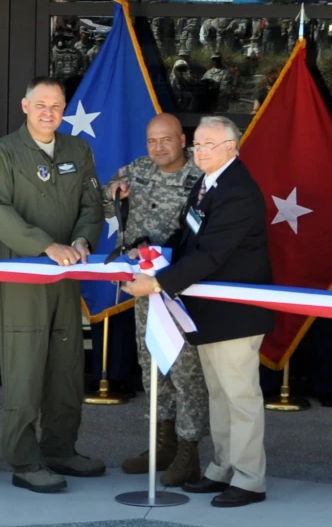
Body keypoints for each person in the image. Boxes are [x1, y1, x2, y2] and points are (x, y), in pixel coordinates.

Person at [123, 116, 274, 508]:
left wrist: (157, 283)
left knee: (240, 397)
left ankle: (249, 478)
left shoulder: (236, 191)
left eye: (210, 145)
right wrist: (151, 256)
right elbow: (188, 239)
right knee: (221, 396)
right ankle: (223, 467)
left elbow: (211, 254)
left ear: (232, 148)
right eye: (199, 145)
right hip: (208, 313)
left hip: (235, 315)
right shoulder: (208, 185)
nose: (201, 152)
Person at [0, 76, 104, 493]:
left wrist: (84, 238)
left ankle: (60, 450)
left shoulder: (77, 149)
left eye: (57, 105)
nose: (49, 112)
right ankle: (24, 460)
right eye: (41, 105)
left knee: (66, 366)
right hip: (22, 274)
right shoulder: (2, 154)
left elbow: (92, 203)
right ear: (24, 105)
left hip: (67, 274)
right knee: (24, 368)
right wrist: (45, 245)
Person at [104, 113, 207, 487]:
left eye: (166, 140)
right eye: (152, 141)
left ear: (183, 139)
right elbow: (104, 199)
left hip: (183, 289)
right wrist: (115, 191)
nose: (159, 147)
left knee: (185, 371)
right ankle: (161, 443)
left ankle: (188, 451)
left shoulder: (200, 175)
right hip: (143, 286)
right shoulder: (137, 169)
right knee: (152, 364)